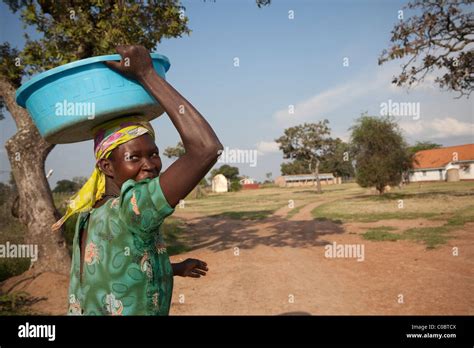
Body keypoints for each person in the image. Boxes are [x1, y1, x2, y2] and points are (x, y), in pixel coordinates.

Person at [52, 45, 223, 315]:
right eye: (135, 158)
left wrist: (173, 269)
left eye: (153, 154)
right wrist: (147, 75)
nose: (150, 165)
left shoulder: (91, 211)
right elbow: (206, 149)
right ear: (107, 166)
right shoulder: (131, 205)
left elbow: (110, 272)